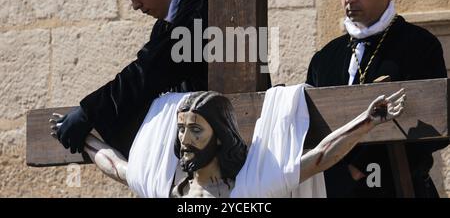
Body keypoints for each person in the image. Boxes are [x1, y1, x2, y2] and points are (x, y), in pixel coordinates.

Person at [50, 88, 406, 198]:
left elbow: (322, 156)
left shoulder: (251, 188)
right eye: (181, 130)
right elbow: (116, 166)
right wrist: (82, 139)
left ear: (220, 137)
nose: (184, 141)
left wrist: (367, 121)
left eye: (196, 131)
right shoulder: (167, 189)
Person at [54, 0, 227, 158]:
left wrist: (91, 112)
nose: (135, 5)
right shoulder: (164, 26)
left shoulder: (209, 2)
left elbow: (152, 71)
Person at [306, 0, 448, 197]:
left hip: (400, 187)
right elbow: (312, 127)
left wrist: (359, 167)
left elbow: (434, 124)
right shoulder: (325, 58)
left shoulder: (419, 45)